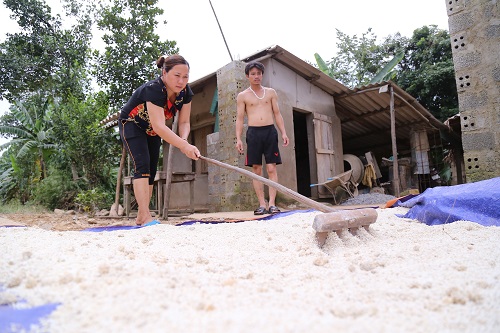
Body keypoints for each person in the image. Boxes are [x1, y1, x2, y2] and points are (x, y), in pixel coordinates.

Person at [119, 54, 200, 226]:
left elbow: (184, 122)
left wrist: (184, 140)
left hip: (151, 130)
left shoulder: (185, 93)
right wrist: (184, 146)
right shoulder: (155, 89)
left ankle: (142, 216)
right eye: (177, 75)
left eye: (185, 77)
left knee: (152, 169)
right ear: (164, 72)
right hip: (133, 123)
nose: (181, 81)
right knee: (142, 165)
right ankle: (145, 215)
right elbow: (159, 126)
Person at [235, 61, 289, 215]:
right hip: (253, 133)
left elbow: (277, 114)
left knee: (271, 168)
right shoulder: (242, 96)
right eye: (253, 74)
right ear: (247, 76)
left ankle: (272, 203)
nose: (256, 76)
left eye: (259, 73)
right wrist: (238, 138)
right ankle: (262, 204)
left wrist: (283, 132)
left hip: (269, 132)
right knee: (256, 169)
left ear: (262, 75)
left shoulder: (271, 92)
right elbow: (239, 118)